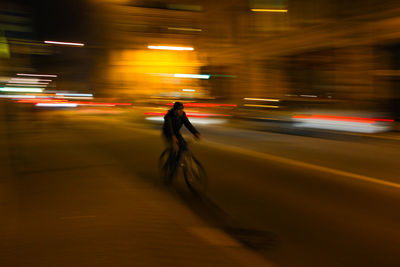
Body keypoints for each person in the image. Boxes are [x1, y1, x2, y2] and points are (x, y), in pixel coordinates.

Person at [162, 101, 201, 182]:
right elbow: (169, 127)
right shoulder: (169, 116)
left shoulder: (182, 114)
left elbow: (188, 124)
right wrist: (172, 136)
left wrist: (195, 132)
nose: (181, 111)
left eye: (182, 110)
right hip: (168, 133)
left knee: (184, 146)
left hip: (176, 133)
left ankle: (178, 160)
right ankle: (171, 174)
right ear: (175, 110)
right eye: (179, 110)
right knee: (173, 149)